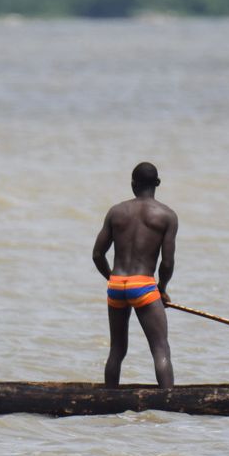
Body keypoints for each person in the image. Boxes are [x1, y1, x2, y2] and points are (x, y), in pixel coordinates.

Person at [92, 162, 178, 388]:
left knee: (117, 350)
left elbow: (97, 254)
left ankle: (109, 400)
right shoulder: (167, 216)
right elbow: (167, 262)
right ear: (157, 184)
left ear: (133, 184)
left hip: (117, 284)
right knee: (160, 349)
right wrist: (161, 289)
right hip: (144, 286)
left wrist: (112, 279)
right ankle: (168, 402)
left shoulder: (116, 212)